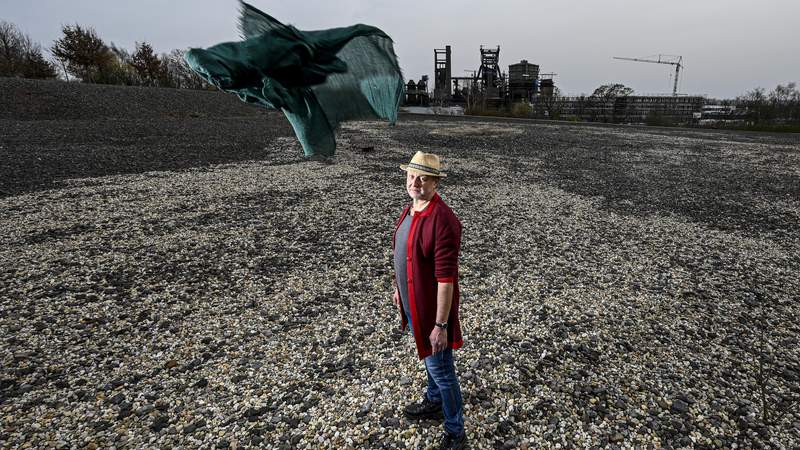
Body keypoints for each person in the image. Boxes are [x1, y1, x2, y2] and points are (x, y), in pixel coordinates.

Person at [392, 151, 467, 449]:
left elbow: (446, 279)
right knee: (430, 361)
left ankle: (455, 430)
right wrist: (399, 288)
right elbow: (404, 254)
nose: (415, 182)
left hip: (430, 312)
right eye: (411, 176)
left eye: (423, 178)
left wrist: (440, 325)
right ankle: (434, 401)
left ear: (435, 182)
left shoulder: (443, 221)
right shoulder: (411, 208)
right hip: (412, 303)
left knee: (442, 370)